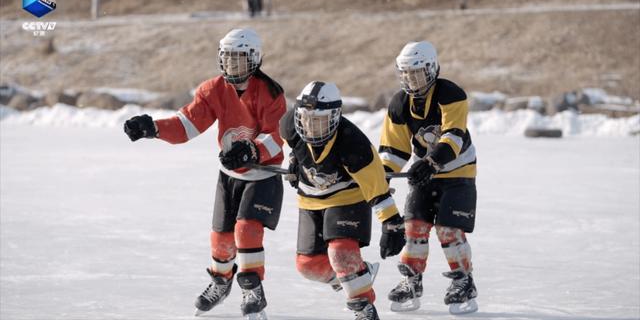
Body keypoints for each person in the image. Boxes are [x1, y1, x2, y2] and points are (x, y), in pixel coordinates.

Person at [123, 28, 286, 319]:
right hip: (230, 176)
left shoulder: (271, 93)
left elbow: (277, 135)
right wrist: (153, 128)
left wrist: (251, 149)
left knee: (246, 230)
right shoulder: (213, 90)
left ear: (254, 59)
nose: (230, 65)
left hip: (263, 175)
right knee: (221, 238)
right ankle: (220, 282)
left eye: (237, 58)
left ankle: (252, 288)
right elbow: (187, 125)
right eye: (226, 58)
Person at [280, 81, 406, 320]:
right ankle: (357, 273)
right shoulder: (289, 127)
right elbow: (291, 147)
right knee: (307, 265)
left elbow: (376, 187)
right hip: (310, 200)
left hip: (347, 198)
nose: (311, 128)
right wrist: (295, 160)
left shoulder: (353, 144)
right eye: (306, 120)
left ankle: (363, 306)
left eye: (318, 121)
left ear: (335, 117)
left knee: (340, 252)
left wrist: (391, 222)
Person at [378, 41, 479, 315]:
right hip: (425, 174)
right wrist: (381, 176)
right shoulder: (399, 103)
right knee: (414, 226)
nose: (412, 79)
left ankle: (463, 281)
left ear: (432, 69)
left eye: (417, 73)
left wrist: (431, 161)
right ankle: (411, 280)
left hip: (458, 170)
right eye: (406, 73)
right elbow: (394, 149)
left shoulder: (450, 94)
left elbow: (453, 136)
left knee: (448, 230)